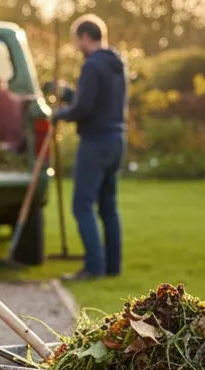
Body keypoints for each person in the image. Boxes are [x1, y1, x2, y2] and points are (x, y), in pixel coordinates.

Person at [52, 14, 128, 280]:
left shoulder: (92, 66)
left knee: (82, 205)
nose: (76, 46)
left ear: (85, 37)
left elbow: (83, 109)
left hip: (95, 142)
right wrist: (67, 94)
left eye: (76, 40)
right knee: (108, 207)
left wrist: (59, 115)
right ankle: (112, 267)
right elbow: (96, 101)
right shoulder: (117, 63)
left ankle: (94, 267)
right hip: (116, 139)